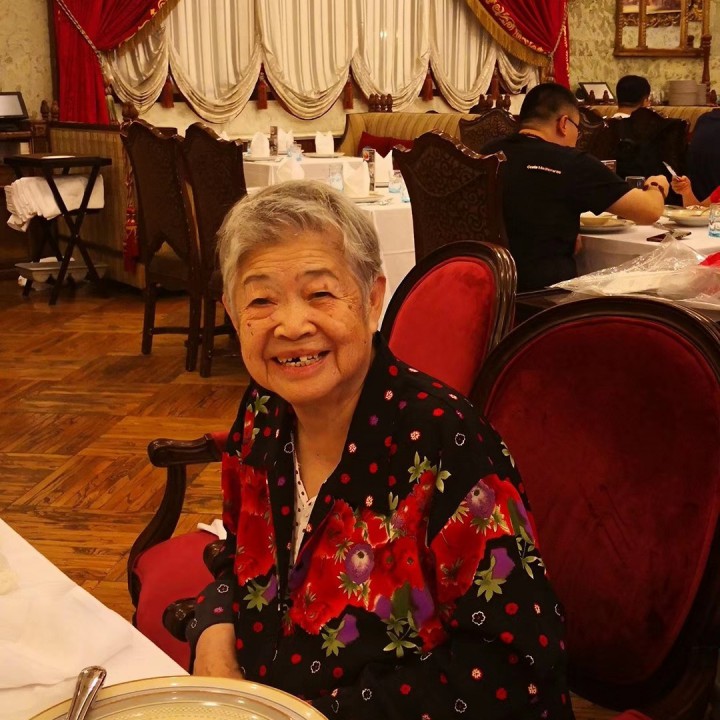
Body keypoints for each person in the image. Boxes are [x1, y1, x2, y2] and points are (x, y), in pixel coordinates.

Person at [186, 180, 574, 719]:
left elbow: (513, 668)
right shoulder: (263, 411)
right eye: (261, 300)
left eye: (321, 294)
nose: (291, 325)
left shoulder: (442, 440)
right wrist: (213, 630)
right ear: (233, 314)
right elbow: (241, 559)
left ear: (372, 300)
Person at [481, 82, 668, 292]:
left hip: (483, 288)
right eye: (577, 129)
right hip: (544, 296)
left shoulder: (486, 153)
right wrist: (656, 185)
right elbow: (649, 211)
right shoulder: (572, 163)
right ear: (563, 123)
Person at [686, 108, 720, 202]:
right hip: (705, 205)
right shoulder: (705, 120)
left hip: (699, 202)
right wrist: (686, 192)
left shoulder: (704, 119)